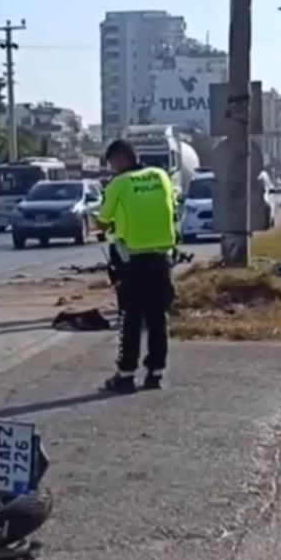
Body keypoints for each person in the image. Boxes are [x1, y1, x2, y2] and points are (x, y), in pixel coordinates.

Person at [96, 139, 177, 394]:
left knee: (130, 316)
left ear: (119, 160)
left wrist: (107, 225)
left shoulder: (118, 183)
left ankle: (126, 374)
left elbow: (102, 221)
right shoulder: (161, 176)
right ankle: (155, 373)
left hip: (131, 260)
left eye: (112, 163)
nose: (112, 168)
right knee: (157, 317)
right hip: (162, 258)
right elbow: (172, 207)